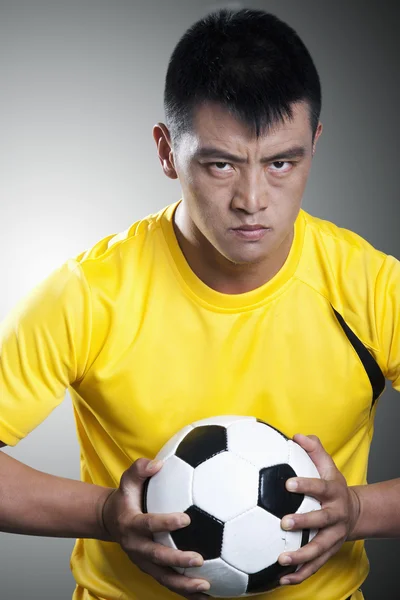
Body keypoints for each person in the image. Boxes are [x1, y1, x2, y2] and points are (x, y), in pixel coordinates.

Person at [0, 7, 399, 600]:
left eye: (282, 162)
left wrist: (360, 510)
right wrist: (108, 515)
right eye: (220, 164)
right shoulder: (92, 292)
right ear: (167, 152)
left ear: (316, 143)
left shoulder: (370, 286)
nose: (252, 200)